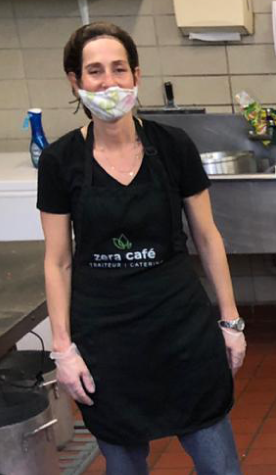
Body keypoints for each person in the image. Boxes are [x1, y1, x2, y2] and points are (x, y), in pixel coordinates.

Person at [37, 22, 247, 475]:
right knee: (125, 464)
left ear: (137, 75)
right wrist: (63, 349)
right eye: (94, 71)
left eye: (119, 69)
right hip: (106, 340)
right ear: (75, 81)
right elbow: (57, 260)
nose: (108, 82)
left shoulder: (173, 146)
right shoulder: (59, 161)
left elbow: (208, 237)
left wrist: (230, 321)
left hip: (181, 329)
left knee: (218, 463)